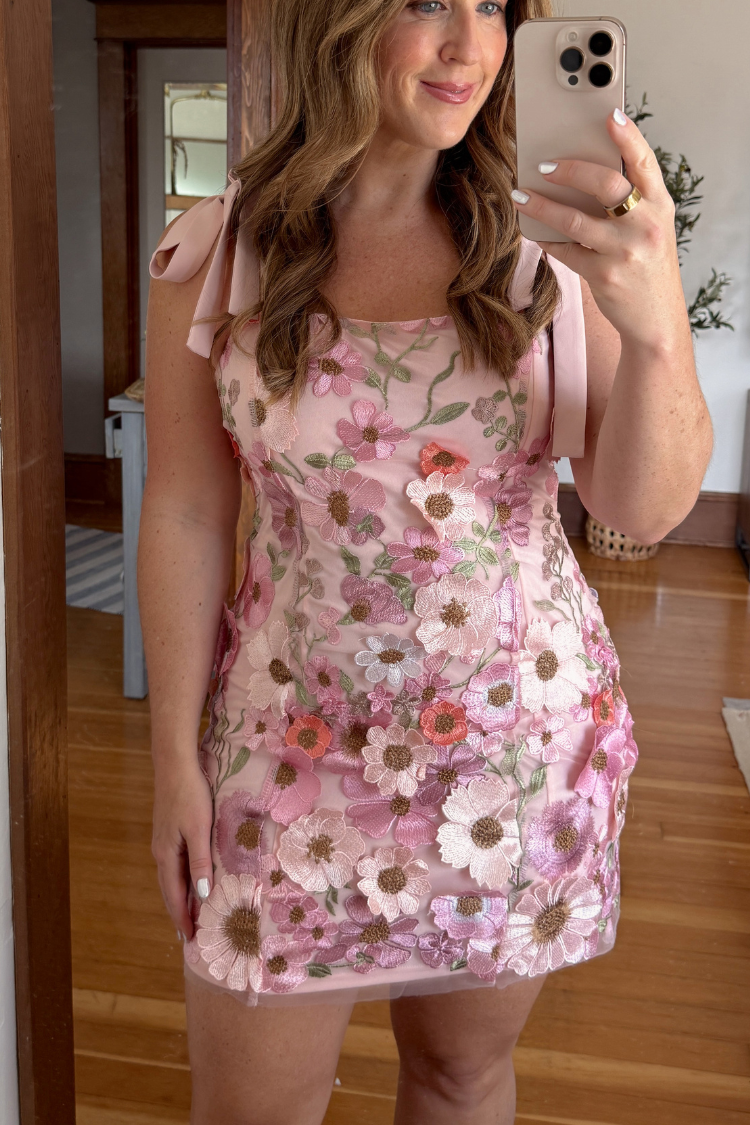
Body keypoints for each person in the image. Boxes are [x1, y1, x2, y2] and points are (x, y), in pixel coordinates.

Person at [139, 1, 712, 1122]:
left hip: (511, 759)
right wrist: (171, 760)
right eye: (423, 3)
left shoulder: (556, 243)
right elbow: (188, 511)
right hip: (285, 751)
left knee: (459, 1078)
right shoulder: (218, 252)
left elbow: (637, 508)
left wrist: (655, 321)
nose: (469, 45)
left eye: (491, 5)